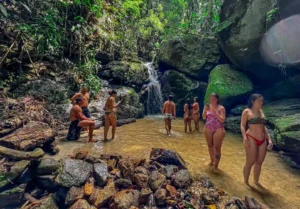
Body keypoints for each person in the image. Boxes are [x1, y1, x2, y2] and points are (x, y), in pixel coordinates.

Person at [240, 94, 273, 186]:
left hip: (262, 140)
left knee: (259, 162)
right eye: (259, 101)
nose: (261, 103)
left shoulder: (261, 111)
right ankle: (246, 183)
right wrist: (244, 137)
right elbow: (242, 125)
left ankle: (256, 182)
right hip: (251, 138)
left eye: (262, 101)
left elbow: (263, 127)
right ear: (252, 101)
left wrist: (269, 139)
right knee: (250, 162)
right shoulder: (247, 111)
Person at [202, 93, 226, 173]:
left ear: (217, 99)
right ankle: (212, 161)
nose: (211, 100)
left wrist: (215, 112)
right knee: (210, 145)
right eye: (210, 99)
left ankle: (216, 166)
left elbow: (222, 120)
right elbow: (203, 117)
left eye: (213, 99)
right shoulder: (207, 106)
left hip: (218, 128)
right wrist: (205, 111)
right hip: (208, 127)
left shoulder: (221, 108)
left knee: (217, 148)